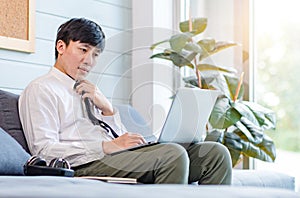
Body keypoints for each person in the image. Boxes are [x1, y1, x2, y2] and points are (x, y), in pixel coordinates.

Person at [19, 17, 232, 184]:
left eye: (95, 54)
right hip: (82, 165)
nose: (89, 61)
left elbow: (118, 141)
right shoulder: (41, 89)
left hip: (113, 158)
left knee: (215, 154)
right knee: (171, 155)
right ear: (61, 47)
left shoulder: (89, 91)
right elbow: (44, 150)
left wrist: (108, 110)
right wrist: (105, 146)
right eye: (83, 50)